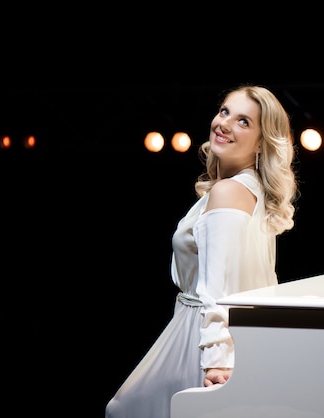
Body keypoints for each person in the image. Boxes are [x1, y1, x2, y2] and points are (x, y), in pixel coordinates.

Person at [105, 84, 299, 417]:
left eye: (244, 121)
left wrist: (216, 362)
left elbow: (217, 289)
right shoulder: (250, 190)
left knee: (126, 409)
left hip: (201, 334)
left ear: (261, 143)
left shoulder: (229, 192)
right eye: (224, 111)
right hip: (222, 332)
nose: (224, 124)